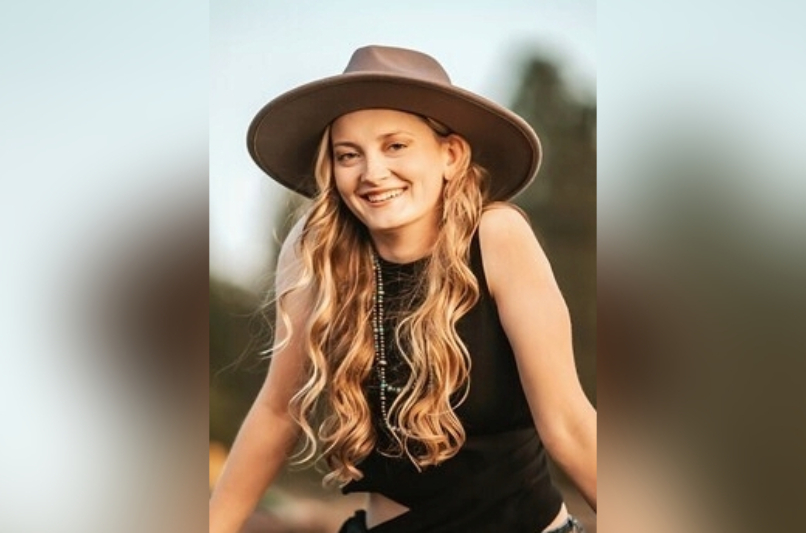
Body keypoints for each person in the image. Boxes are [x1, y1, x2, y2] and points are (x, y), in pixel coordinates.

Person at [210, 45, 596, 533]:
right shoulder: (317, 251)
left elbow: (570, 425)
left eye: (396, 146)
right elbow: (275, 412)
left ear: (450, 155)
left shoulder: (497, 237)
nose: (372, 173)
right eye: (349, 155)